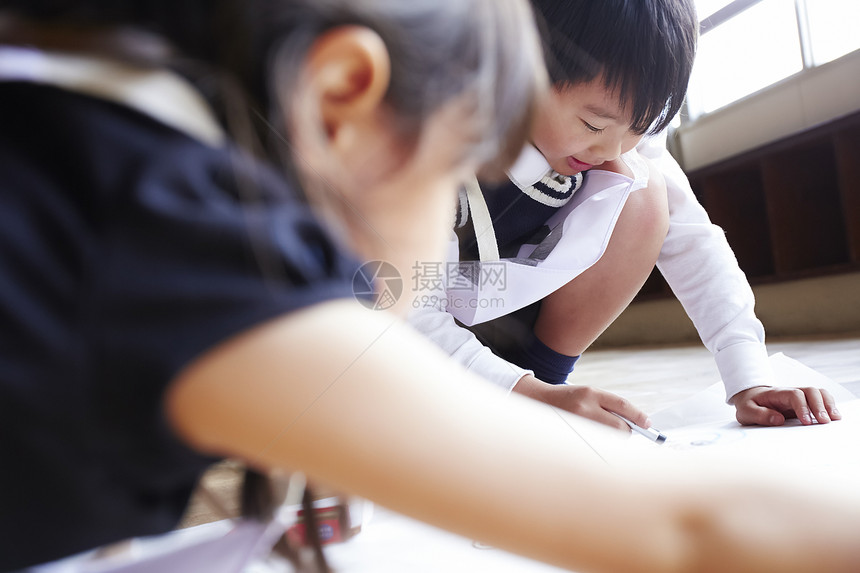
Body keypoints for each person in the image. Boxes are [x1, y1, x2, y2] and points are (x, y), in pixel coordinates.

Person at [2, 2, 860, 573]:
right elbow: (678, 528)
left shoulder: (92, 141)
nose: (475, 183)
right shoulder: (171, 239)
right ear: (344, 91)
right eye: (469, 149)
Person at [410, 0, 841, 432]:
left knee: (648, 192)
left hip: (505, 310)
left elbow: (695, 240)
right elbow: (402, 306)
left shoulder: (617, 135)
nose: (611, 150)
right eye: (594, 126)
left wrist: (749, 376)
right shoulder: (423, 131)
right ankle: (526, 394)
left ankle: (542, 382)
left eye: (639, 129)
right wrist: (518, 391)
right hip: (407, 320)